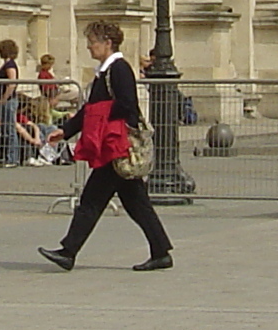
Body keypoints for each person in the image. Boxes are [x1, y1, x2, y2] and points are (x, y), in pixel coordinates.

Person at [39, 21, 176, 271]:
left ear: (107, 43)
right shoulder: (105, 70)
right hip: (113, 145)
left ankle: (69, 251)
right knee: (136, 203)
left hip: (116, 145)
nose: (90, 47)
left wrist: (98, 119)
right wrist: (67, 130)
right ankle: (161, 251)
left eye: (93, 42)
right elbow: (89, 109)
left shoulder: (120, 69)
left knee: (92, 199)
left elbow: (126, 104)